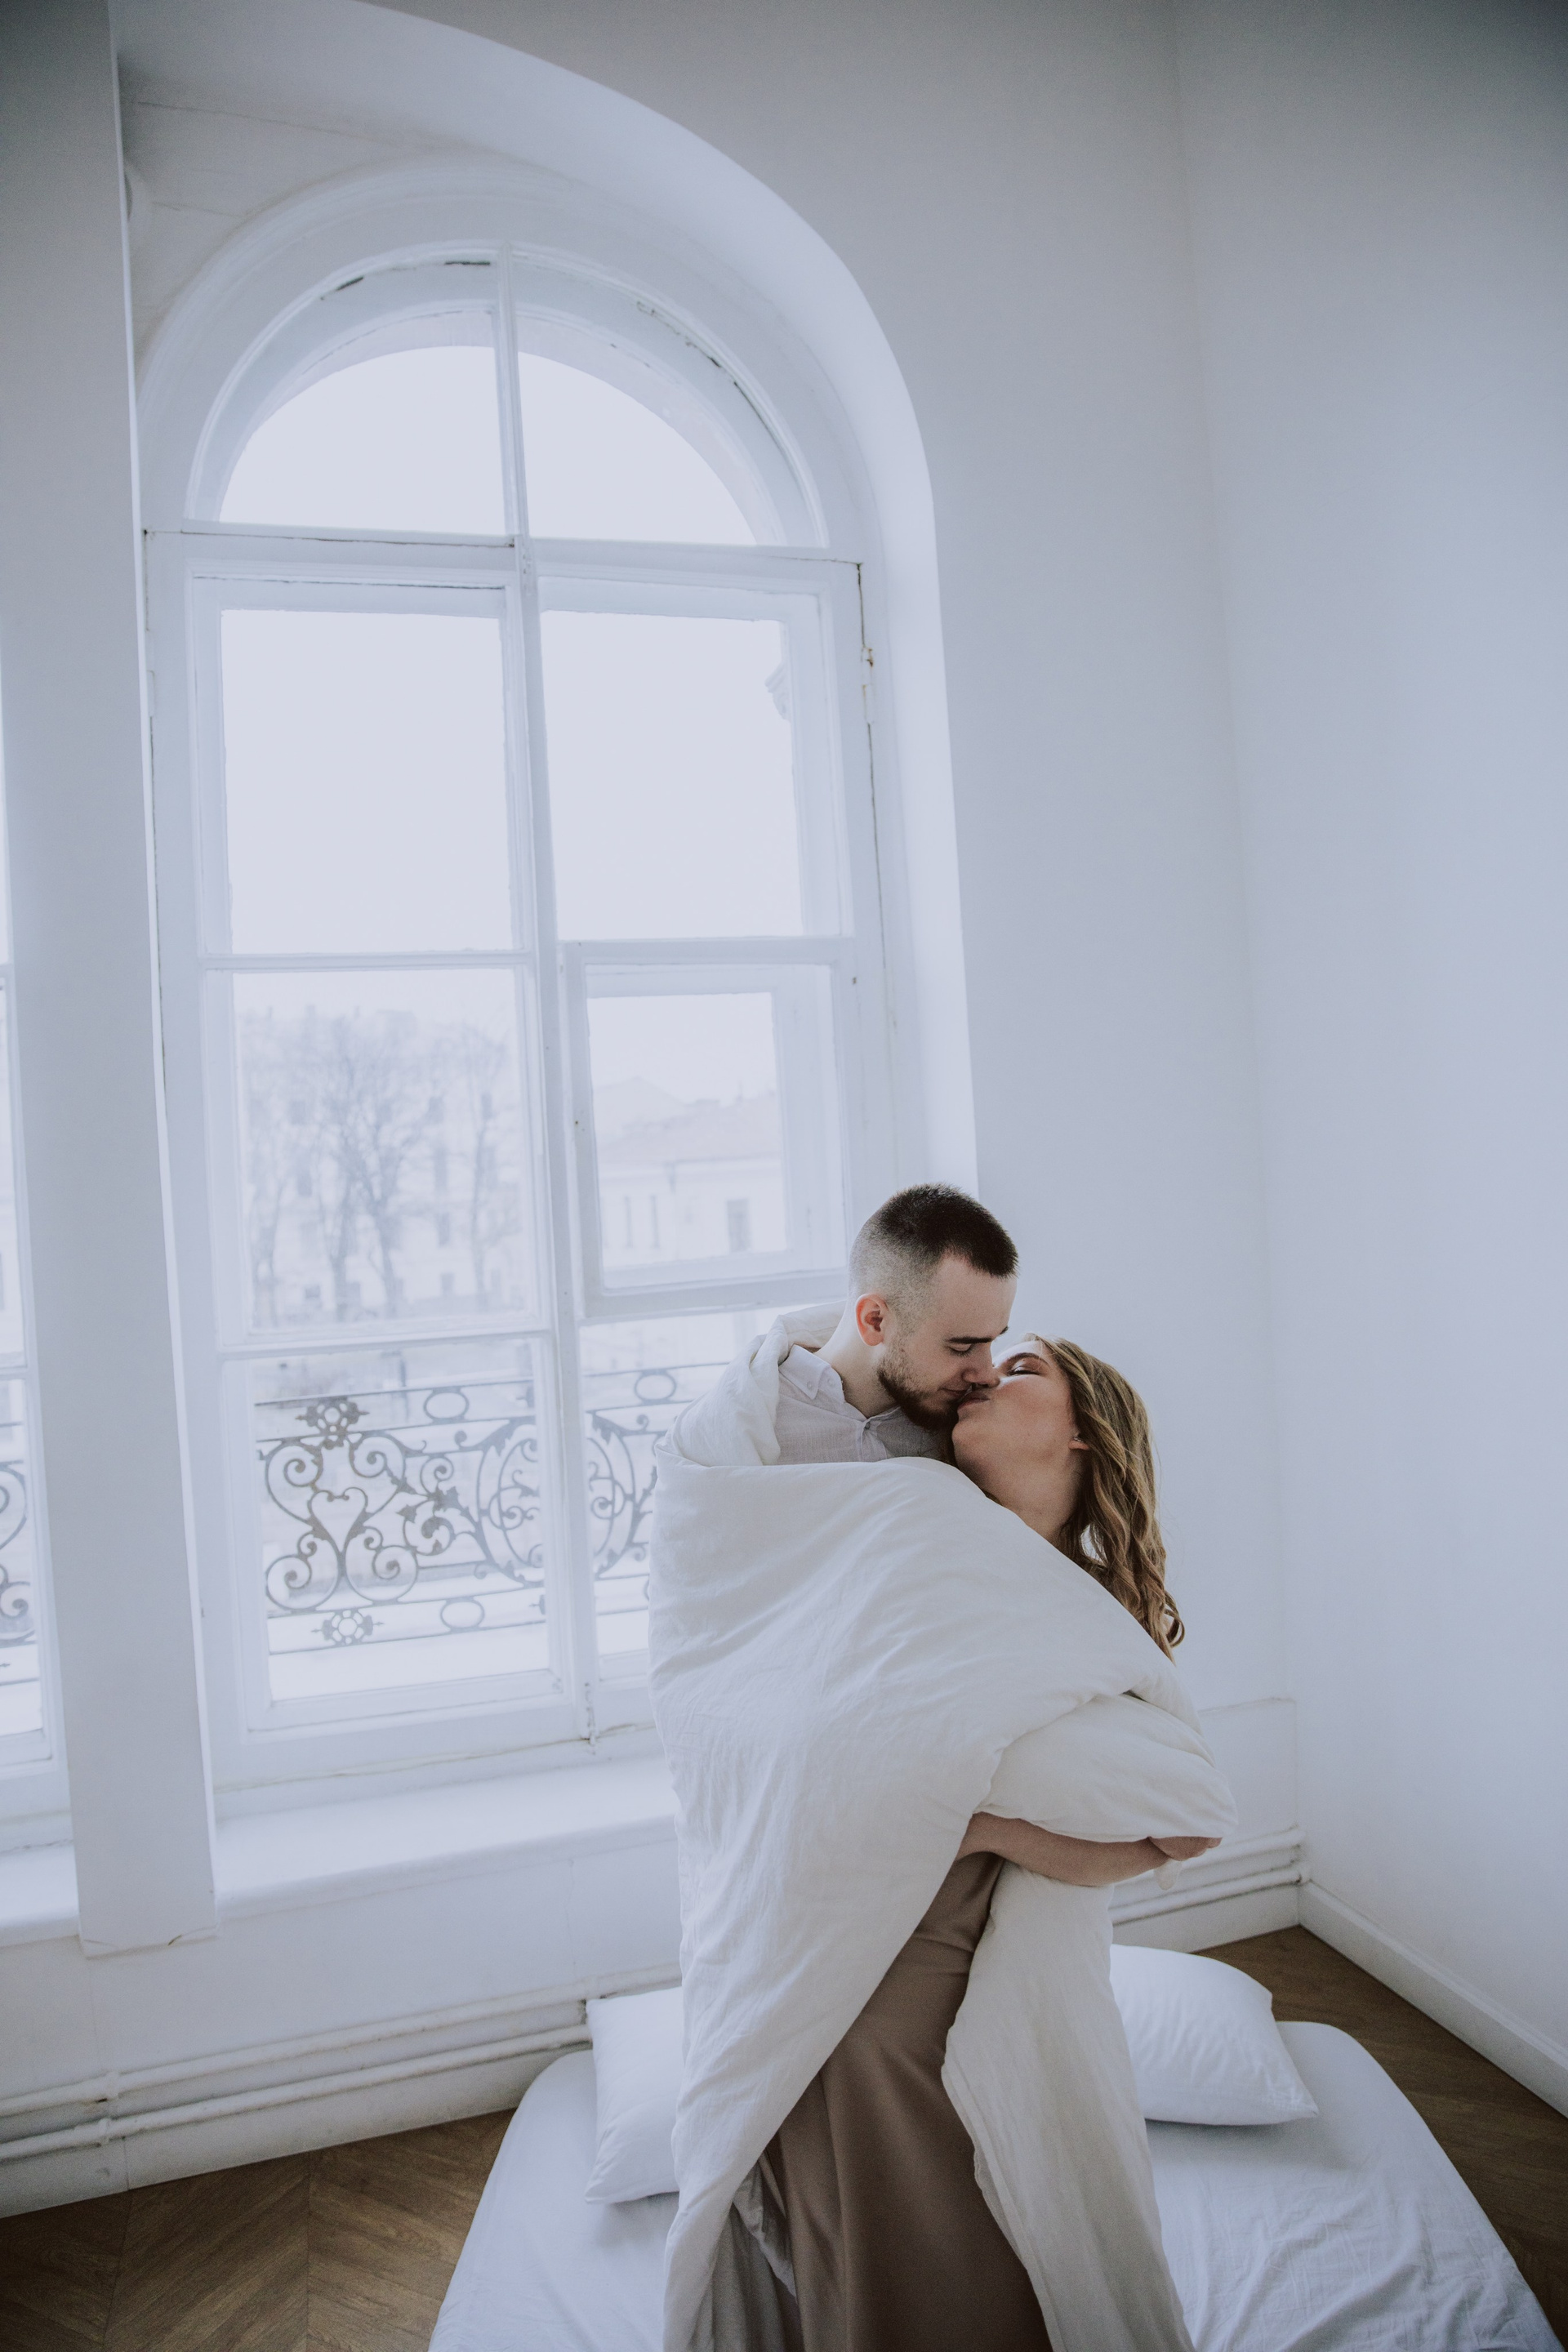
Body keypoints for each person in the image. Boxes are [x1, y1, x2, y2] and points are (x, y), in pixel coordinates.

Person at [761, 1235, 1211, 2352]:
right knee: (834, 2192)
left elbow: (1181, 1822)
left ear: (1082, 1429)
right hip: (832, 1914)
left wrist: (983, 1826)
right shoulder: (910, 1527)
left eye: (1020, 1368)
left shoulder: (1088, 1611)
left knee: (958, 2218)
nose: (984, 1376)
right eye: (980, 1356)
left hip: (949, 1941)